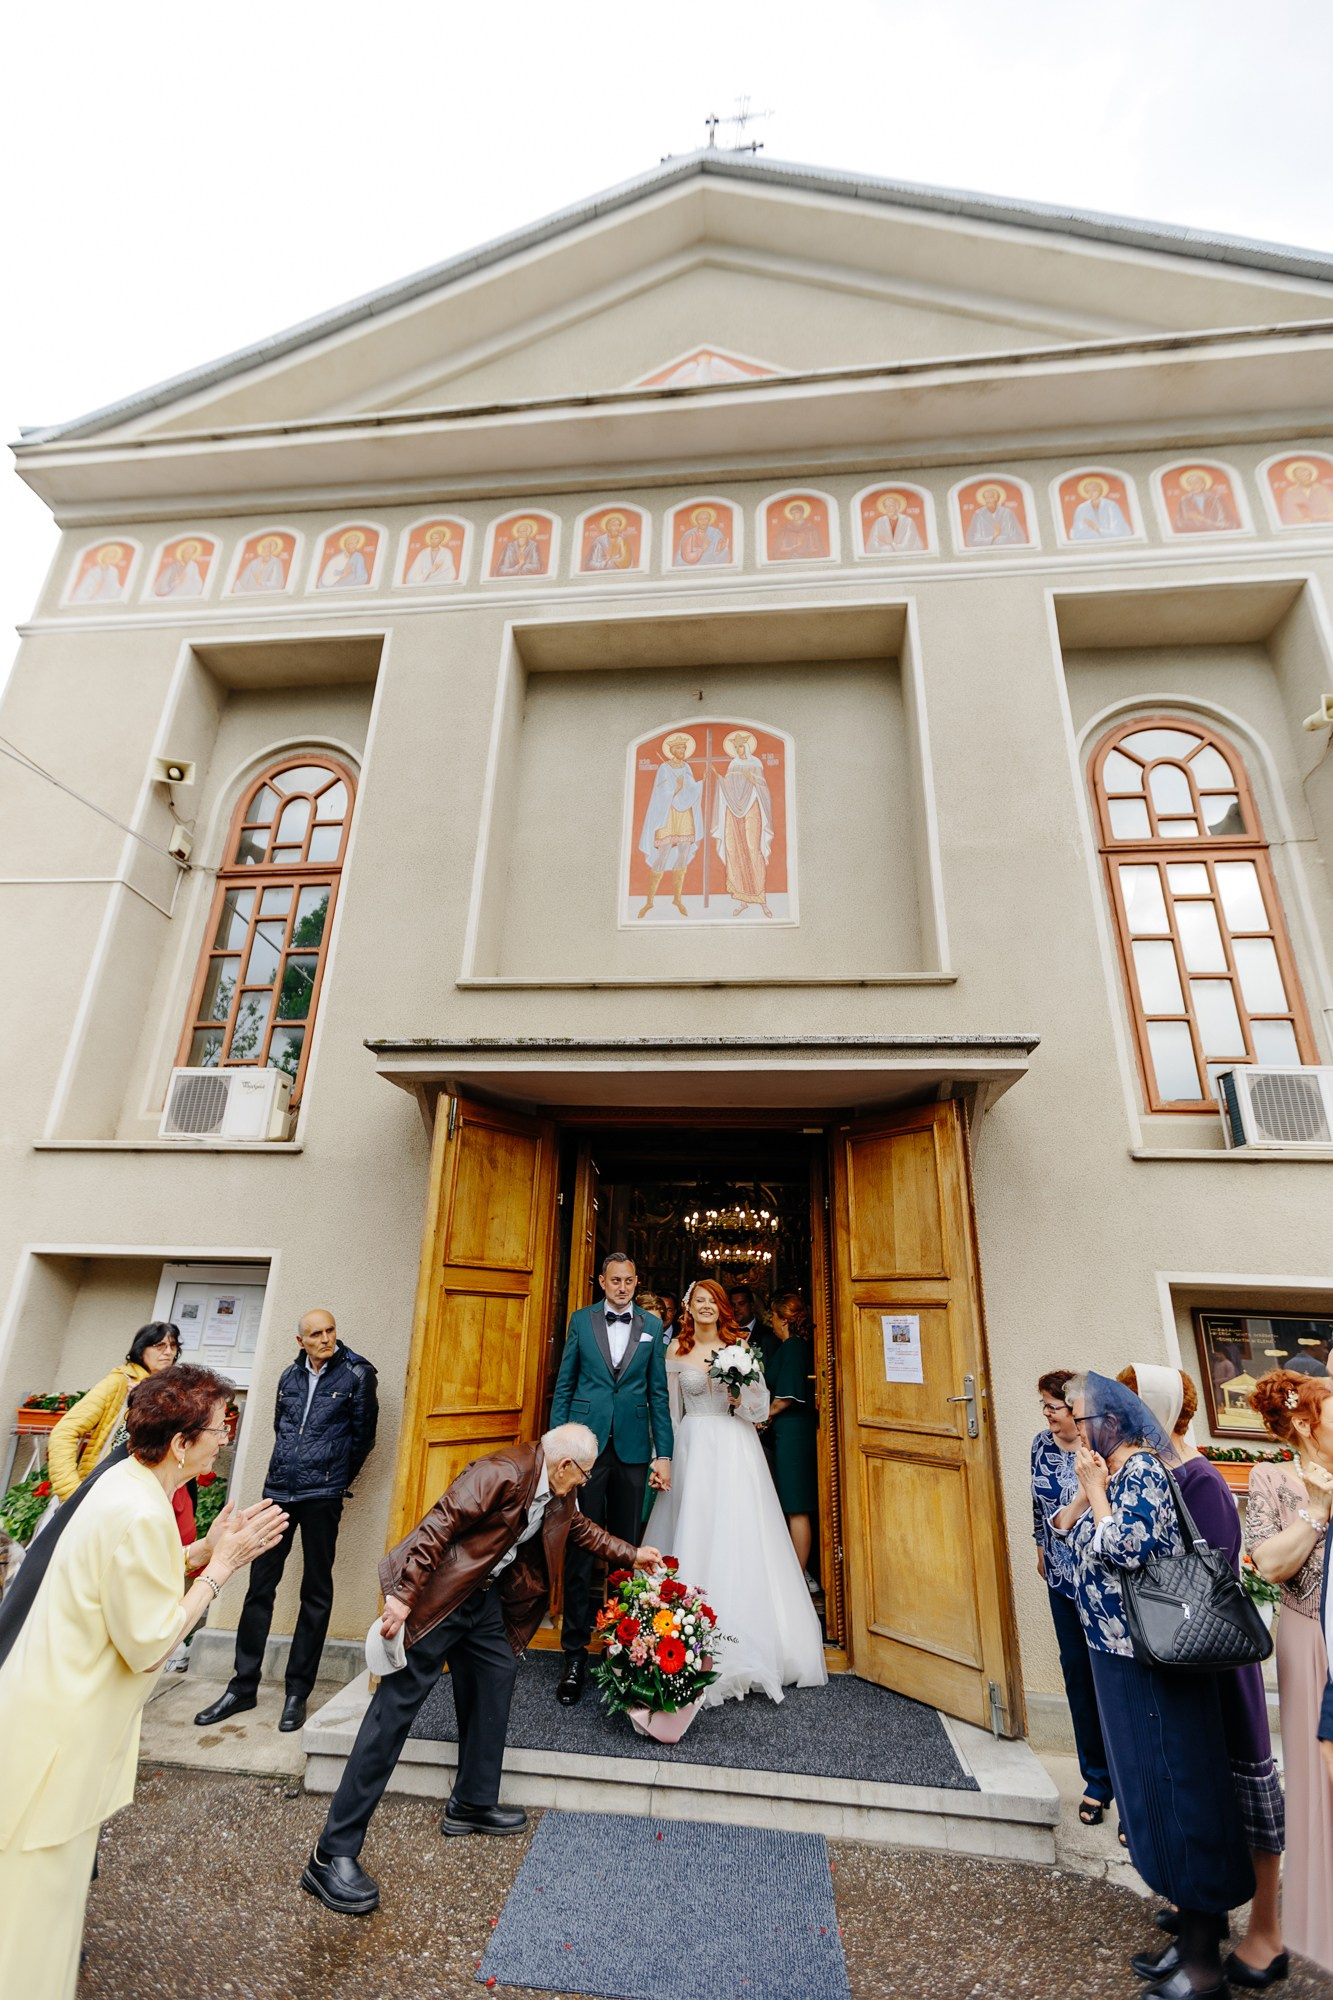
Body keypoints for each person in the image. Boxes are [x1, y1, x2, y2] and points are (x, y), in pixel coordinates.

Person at [0, 1364, 287, 2000]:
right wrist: (224, 1569)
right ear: (182, 1442)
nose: (226, 1438)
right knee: (29, 1931)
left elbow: (123, 1573)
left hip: (35, 1718)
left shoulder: (122, 1485)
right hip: (59, 1742)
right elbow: (151, 1645)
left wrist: (200, 1551)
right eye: (220, 1426)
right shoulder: (142, 1510)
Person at [301, 1424, 662, 1915]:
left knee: (496, 1677)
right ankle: (331, 1853)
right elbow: (439, 1523)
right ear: (563, 1466)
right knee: (393, 1713)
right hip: (440, 1598)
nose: (584, 1483)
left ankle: (471, 1801)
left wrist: (632, 1554)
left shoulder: (555, 1493)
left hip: (484, 1600)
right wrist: (404, 1597)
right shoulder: (502, 1472)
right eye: (583, 1474)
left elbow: (578, 1529)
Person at [1055, 1372, 1253, 2000]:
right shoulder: (1112, 1475)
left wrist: (1099, 1495)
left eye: (1083, 1417)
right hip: (1114, 1656)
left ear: (1112, 1422)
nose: (1074, 1427)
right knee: (1152, 1793)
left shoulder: (1141, 1473)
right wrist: (1089, 1494)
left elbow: (1127, 1549)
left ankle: (1202, 1967)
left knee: (1176, 1791)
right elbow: (1068, 1533)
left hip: (1148, 1663)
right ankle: (1188, 1940)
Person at [1121, 1365, 1286, 1989]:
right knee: (1199, 1794)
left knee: (1227, 1793)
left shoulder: (1202, 1481)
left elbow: (1205, 1586)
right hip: (1187, 1662)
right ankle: (1203, 1921)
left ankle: (1230, 1935)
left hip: (1212, 1664)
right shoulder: (1165, 1476)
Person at [195, 1308, 378, 1734]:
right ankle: (242, 1686)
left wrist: (335, 1480)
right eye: (316, 1334)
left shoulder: (357, 1374)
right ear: (301, 1341)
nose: (326, 1339)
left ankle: (298, 1691)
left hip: (322, 1496)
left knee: (315, 1591)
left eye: (331, 1330)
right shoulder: (288, 1377)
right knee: (259, 1587)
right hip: (279, 1491)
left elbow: (363, 1437)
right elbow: (283, 1428)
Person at [646, 1279, 826, 1706]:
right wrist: (663, 1458)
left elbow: (758, 1409)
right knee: (694, 1527)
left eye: (713, 1301)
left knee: (740, 1533)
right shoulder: (674, 1351)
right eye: (699, 1301)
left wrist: (738, 1391)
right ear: (688, 1307)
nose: (706, 1307)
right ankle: (683, 1640)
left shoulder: (741, 1347)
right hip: (693, 1446)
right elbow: (669, 1412)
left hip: (735, 1446)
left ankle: (751, 1640)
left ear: (722, 1308)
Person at [549, 1252, 672, 1705]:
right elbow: (566, 1384)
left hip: (635, 1451)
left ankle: (624, 1651)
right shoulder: (581, 1322)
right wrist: (556, 1447)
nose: (621, 1287)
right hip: (586, 1448)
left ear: (637, 1283)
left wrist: (666, 1454)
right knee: (582, 1551)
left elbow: (658, 1391)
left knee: (627, 1550)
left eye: (628, 1281)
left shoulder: (652, 1328)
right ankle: (575, 1655)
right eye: (614, 1280)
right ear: (602, 1281)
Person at [1247, 1369, 1333, 1976]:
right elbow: (1270, 1564)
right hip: (1307, 1640)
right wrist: (1319, 1508)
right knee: (1316, 1785)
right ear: (1304, 1422)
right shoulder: (1272, 1478)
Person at [1030, 1369, 1113, 1830]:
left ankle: (1129, 1783)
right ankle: (1097, 1781)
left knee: (1114, 1681)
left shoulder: (1098, 1450)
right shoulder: (1041, 1446)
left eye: (1053, 1407)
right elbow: (1037, 1502)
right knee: (1078, 1677)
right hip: (1061, 1579)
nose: (1046, 1414)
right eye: (1043, 1405)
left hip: (1100, 1583)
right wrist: (1040, 1546)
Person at [47, 1321, 181, 1502]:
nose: (168, 1352)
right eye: (159, 1345)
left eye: (173, 1346)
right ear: (141, 1349)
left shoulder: (173, 1391)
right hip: (105, 1489)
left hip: (148, 1494)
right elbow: (65, 1431)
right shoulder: (119, 1383)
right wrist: (71, 1493)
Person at [765, 1293, 820, 1592]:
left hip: (795, 1432)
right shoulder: (788, 1347)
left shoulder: (795, 1347)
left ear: (783, 1319)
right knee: (790, 1502)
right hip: (786, 1431)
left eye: (773, 1316)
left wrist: (763, 1414)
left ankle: (798, 1576)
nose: (771, 1323)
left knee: (797, 1505)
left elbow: (786, 1396)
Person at [636, 733, 703, 919]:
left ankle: (677, 898)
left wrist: (698, 785)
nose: (683, 751)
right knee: (663, 854)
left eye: (684, 748)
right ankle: (649, 900)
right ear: (673, 750)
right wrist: (676, 788)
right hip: (667, 814)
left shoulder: (686, 767)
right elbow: (660, 791)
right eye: (679, 748)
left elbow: (690, 789)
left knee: (683, 853)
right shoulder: (664, 768)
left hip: (684, 814)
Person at [711, 731, 775, 917]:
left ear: (746, 746)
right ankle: (742, 900)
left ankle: (761, 899)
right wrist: (720, 779)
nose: (738, 750)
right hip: (733, 810)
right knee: (735, 850)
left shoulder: (755, 764)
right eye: (735, 747)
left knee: (753, 849)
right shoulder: (733, 765)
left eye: (741, 746)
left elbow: (764, 789)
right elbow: (730, 787)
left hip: (752, 808)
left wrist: (752, 779)